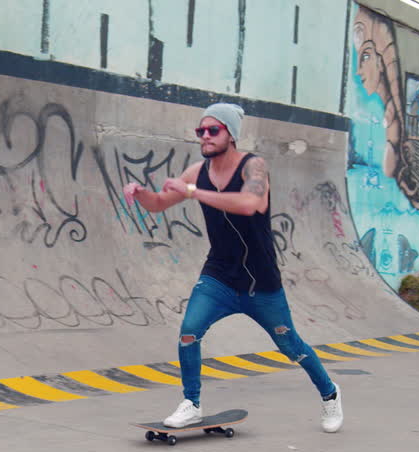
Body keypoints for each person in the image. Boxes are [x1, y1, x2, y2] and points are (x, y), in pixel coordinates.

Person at [123, 102, 343, 433]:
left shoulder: (253, 168)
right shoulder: (196, 173)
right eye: (201, 131)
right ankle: (192, 404)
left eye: (214, 130)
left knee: (290, 346)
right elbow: (158, 204)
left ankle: (330, 394)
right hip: (220, 276)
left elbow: (249, 203)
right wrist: (140, 194)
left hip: (261, 282)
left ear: (231, 135)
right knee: (188, 332)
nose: (205, 137)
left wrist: (194, 193)